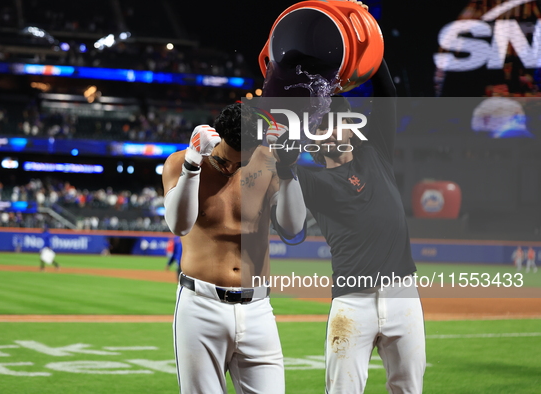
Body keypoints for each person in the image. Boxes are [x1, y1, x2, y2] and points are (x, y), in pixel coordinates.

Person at [269, 59, 426, 393]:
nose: (329, 132)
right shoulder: (308, 179)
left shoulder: (376, 151)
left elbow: (388, 92)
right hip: (351, 301)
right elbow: (290, 228)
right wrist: (286, 170)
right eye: (320, 128)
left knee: (409, 388)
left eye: (335, 124)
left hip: (403, 294)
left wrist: (371, 46)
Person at [162, 102, 306, 393]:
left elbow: (293, 228)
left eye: (240, 163)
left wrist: (289, 170)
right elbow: (179, 226)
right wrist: (193, 165)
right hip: (200, 306)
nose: (230, 168)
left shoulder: (268, 162)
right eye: (226, 159)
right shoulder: (181, 162)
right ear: (219, 138)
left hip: (258, 308)